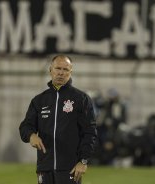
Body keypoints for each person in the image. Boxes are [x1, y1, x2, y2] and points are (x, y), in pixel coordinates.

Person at [19, 55, 97, 184]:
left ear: (70, 72)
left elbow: (90, 132)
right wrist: (31, 135)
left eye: (65, 69)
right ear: (51, 70)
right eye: (58, 68)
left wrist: (83, 161)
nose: (61, 72)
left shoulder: (81, 99)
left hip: (70, 168)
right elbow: (25, 126)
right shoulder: (39, 100)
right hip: (45, 168)